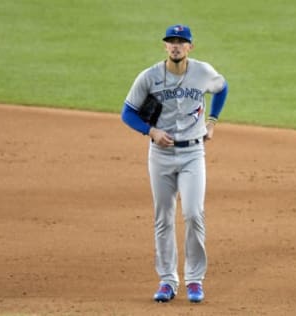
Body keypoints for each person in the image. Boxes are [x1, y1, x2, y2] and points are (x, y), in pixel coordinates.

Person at [121, 24, 228, 303]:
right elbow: (128, 113)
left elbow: (222, 88)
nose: (176, 46)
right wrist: (152, 132)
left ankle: (194, 280)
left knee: (193, 214)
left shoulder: (203, 72)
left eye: (181, 41)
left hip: (193, 154)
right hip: (161, 157)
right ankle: (167, 280)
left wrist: (213, 121)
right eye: (171, 41)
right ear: (165, 46)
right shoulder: (149, 77)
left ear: (190, 46)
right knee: (163, 217)